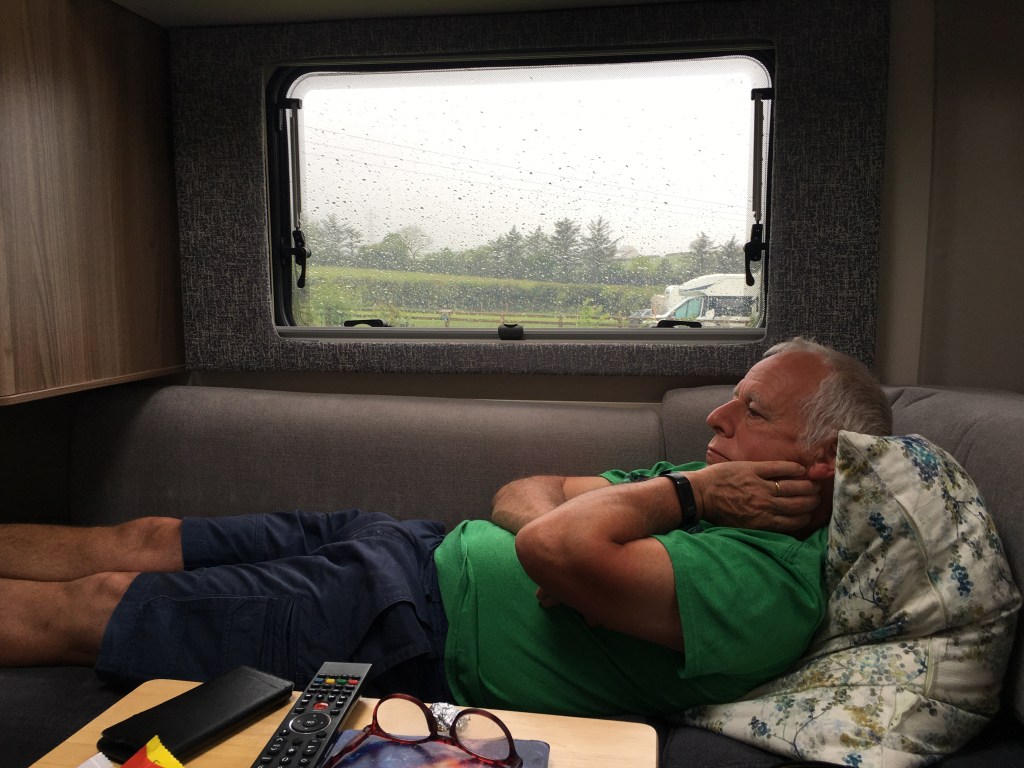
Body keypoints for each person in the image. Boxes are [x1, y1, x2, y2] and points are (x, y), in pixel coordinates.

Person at [0, 337, 892, 717]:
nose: (717, 421)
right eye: (730, 399)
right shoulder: (701, 489)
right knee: (144, 537)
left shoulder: (766, 585)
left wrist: (676, 500)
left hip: (403, 626)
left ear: (822, 462)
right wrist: (571, 540)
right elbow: (525, 493)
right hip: (410, 544)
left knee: (102, 601)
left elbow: (549, 539)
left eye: (751, 411)